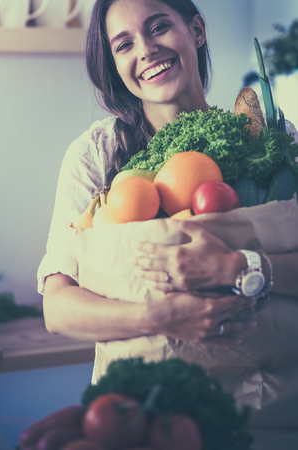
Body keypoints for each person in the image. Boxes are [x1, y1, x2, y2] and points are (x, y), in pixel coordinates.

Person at [38, 0, 298, 355]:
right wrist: (158, 317)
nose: (146, 50)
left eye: (158, 27)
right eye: (125, 44)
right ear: (115, 65)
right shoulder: (97, 154)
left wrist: (238, 267)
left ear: (197, 30)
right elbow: (56, 308)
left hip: (270, 395)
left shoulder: (271, 136)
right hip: (147, 398)